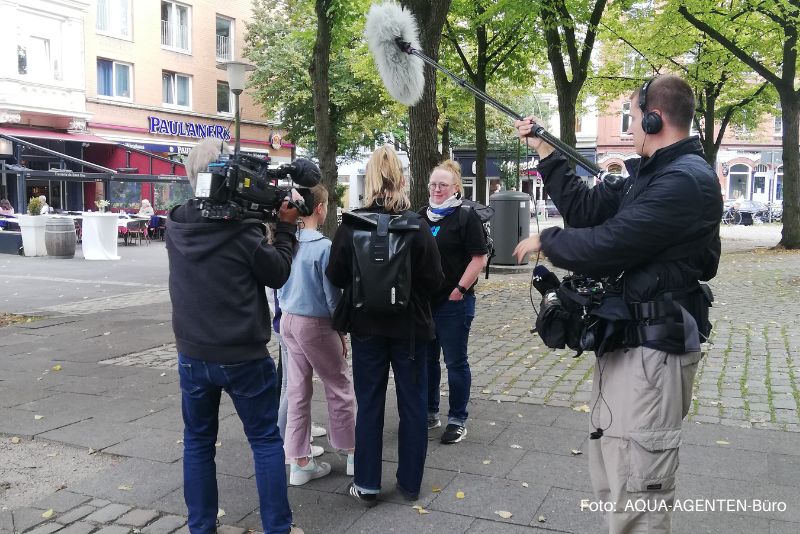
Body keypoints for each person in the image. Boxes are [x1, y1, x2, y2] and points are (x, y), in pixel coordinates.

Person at [513, 74, 721, 534]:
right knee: (613, 474)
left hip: (655, 352)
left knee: (640, 491)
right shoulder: (648, 174)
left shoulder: (686, 181)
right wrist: (546, 151)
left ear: (654, 117)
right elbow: (586, 211)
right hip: (627, 344)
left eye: (633, 117)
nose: (629, 129)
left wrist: (546, 241)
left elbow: (611, 242)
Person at [166, 137, 305, 534]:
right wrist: (285, 228)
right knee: (264, 441)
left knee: (197, 442)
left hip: (193, 353)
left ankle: (201, 527)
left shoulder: (176, 223)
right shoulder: (241, 231)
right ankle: (277, 527)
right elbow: (277, 271)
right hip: (243, 354)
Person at [326, 145, 444, 506]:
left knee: (370, 403)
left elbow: (336, 274)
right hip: (409, 328)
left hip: (366, 327)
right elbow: (435, 281)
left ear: (371, 178)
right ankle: (409, 485)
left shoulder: (351, 225)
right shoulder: (418, 227)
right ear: (403, 180)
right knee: (412, 405)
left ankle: (366, 484)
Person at [279, 184, 356, 486]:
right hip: (316, 323)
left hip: (289, 320)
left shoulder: (288, 242)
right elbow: (332, 298)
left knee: (297, 390)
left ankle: (299, 461)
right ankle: (351, 452)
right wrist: (341, 331)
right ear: (321, 208)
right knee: (338, 384)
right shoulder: (324, 248)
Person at [420, 160, 487, 444]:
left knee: (455, 362)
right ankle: (429, 412)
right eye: (433, 184)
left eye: (443, 185)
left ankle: (457, 419)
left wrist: (459, 289)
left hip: (453, 302)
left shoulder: (465, 216)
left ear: (455, 188)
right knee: (427, 361)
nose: (437, 189)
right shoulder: (420, 217)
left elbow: (478, 258)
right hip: (425, 302)